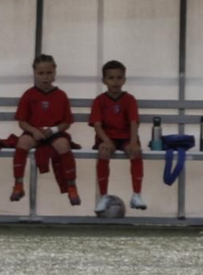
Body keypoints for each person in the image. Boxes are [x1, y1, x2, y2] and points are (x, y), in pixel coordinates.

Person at [10, 54, 80, 206]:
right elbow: (22, 122)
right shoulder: (29, 95)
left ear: (55, 72)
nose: (45, 77)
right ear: (34, 73)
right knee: (22, 141)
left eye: (49, 73)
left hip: (54, 133)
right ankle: (18, 184)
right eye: (41, 73)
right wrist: (34, 131)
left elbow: (66, 123)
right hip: (34, 131)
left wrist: (54, 130)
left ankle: (71, 186)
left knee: (63, 145)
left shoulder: (61, 95)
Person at [88, 59, 146, 211]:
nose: (115, 81)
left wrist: (134, 142)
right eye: (111, 78)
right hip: (107, 138)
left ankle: (137, 195)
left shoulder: (129, 99)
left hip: (126, 138)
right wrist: (106, 141)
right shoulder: (99, 100)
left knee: (136, 152)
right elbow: (97, 125)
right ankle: (103, 196)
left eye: (119, 78)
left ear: (124, 79)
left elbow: (134, 122)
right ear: (104, 80)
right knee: (104, 151)